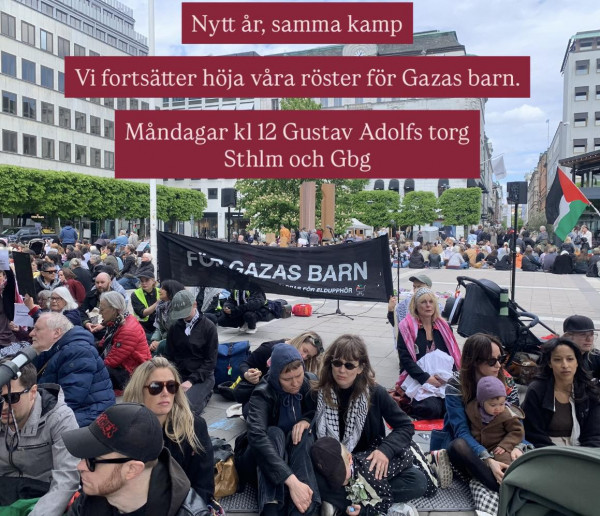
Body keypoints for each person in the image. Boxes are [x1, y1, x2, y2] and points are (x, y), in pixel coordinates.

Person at [313, 335, 427, 515]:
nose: (342, 370)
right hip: (332, 467)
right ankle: (361, 504)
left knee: (417, 481)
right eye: (337, 363)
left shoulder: (375, 393)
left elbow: (405, 426)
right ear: (330, 363)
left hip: (368, 466)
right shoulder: (317, 393)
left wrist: (385, 451)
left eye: (349, 365)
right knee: (310, 477)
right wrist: (304, 421)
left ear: (360, 368)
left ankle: (339, 502)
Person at [62, 403, 210, 516]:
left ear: (132, 470)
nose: (80, 466)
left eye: (92, 460)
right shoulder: (90, 500)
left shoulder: (188, 513)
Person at [430, 333, 523, 493]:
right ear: (474, 361)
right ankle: (500, 486)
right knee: (459, 446)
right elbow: (461, 431)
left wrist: (518, 447)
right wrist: (487, 459)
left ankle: (502, 479)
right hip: (468, 444)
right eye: (491, 361)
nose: (498, 365)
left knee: (524, 454)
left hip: (499, 442)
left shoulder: (507, 382)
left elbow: (517, 423)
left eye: (500, 359)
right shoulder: (457, 383)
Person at [238, 343, 320, 516]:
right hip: (262, 459)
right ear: (276, 376)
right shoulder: (262, 393)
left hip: (292, 455)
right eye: (287, 379)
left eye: (298, 376)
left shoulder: (307, 382)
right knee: (274, 433)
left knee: (304, 434)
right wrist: (290, 480)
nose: (295, 383)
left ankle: (304, 506)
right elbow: (257, 436)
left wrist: (306, 420)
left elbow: (316, 410)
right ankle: (271, 506)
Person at [123, 357, 215, 504]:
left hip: (184, 506)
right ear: (139, 390)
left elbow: (204, 485)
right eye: (156, 387)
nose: (165, 393)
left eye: (171, 386)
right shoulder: (124, 429)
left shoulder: (194, 426)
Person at [0, 360, 80, 515]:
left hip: (44, 496)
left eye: (12, 398)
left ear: (33, 392)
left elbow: (67, 478)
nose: (4, 406)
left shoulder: (59, 418)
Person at [31, 312, 115, 426]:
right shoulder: (52, 348)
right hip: (78, 410)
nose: (31, 333)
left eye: (37, 329)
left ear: (56, 333)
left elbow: (69, 399)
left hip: (91, 414)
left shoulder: (77, 351)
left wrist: (30, 412)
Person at [522, 338, 600, 448]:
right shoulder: (536, 390)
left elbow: (594, 434)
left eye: (570, 359)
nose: (565, 365)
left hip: (582, 448)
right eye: (557, 360)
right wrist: (555, 453)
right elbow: (533, 433)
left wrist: (585, 453)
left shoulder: (589, 390)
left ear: (577, 362)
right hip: (546, 449)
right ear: (550, 363)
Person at [397, 288, 462, 420]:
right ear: (416, 306)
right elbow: (406, 359)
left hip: (443, 379)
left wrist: (448, 378)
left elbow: (452, 356)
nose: (428, 305)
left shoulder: (444, 327)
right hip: (418, 378)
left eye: (431, 302)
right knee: (431, 409)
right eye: (423, 302)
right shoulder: (406, 327)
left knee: (451, 407)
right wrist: (426, 378)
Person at [311, 437, 410, 516]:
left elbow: (386, 500)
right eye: (334, 478)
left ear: (350, 458)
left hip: (405, 457)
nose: (341, 482)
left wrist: (363, 510)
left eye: (341, 474)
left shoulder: (367, 475)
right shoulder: (347, 465)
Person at [164, 290, 219, 414]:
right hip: (179, 373)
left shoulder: (209, 327)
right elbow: (169, 355)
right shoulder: (174, 327)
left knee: (186, 409)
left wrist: (191, 381)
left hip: (202, 375)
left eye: (186, 312)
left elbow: (210, 362)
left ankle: (205, 395)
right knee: (164, 403)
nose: (184, 317)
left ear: (195, 304)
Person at [96, 291, 151, 392]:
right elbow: (101, 344)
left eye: (102, 309)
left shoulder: (127, 330)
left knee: (96, 372)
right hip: (125, 366)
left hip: (134, 374)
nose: (99, 312)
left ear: (114, 309)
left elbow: (111, 362)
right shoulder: (117, 321)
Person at [465, 376, 525, 466]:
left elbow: (517, 431)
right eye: (493, 405)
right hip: (478, 448)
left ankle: (507, 472)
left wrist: (505, 445)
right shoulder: (472, 410)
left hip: (498, 447)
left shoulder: (506, 415)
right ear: (482, 402)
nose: (498, 408)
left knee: (504, 459)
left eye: (501, 404)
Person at [150, 279, 186, 355]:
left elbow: (178, 334)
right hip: (164, 339)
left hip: (176, 342)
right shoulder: (161, 307)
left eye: (163, 288)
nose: (159, 290)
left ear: (171, 290)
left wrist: (160, 343)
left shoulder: (179, 309)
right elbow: (159, 328)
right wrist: (154, 340)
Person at [131, 271, 160, 342]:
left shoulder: (160, 291)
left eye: (147, 280)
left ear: (153, 281)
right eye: (142, 281)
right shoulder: (135, 294)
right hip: (143, 328)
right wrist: (158, 303)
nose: (144, 283)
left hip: (158, 327)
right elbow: (142, 313)